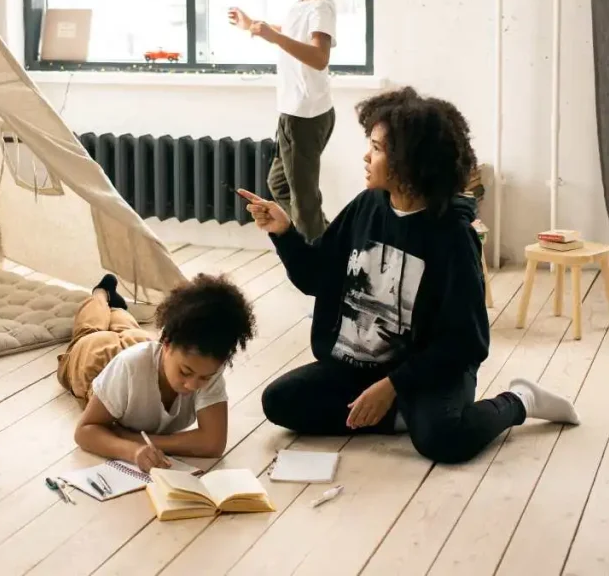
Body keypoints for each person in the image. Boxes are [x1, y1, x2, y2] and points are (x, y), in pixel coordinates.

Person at [240, 87, 580, 464]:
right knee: (279, 403)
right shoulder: (366, 206)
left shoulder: (452, 237)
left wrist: (395, 385)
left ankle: (519, 401)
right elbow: (316, 278)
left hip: (427, 373)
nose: (366, 156)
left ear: (409, 162)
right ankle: (403, 416)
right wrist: (284, 233)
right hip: (358, 368)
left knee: (443, 440)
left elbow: (467, 342)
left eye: (377, 148)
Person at [228, 0, 357, 241]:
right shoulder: (304, 5)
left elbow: (318, 57)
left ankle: (319, 254)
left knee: (303, 197)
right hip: (297, 111)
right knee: (280, 185)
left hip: (304, 116)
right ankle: (320, 237)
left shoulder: (322, 9)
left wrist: (275, 37)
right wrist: (254, 26)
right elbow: (291, 33)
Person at [59, 273, 255, 472]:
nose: (193, 385)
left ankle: (116, 307)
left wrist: (141, 440)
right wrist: (133, 450)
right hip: (96, 360)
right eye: (185, 372)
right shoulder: (129, 366)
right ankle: (100, 295)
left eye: (205, 377)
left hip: (141, 345)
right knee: (90, 330)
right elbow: (85, 432)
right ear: (167, 344)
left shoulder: (205, 367)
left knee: (126, 327)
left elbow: (213, 444)